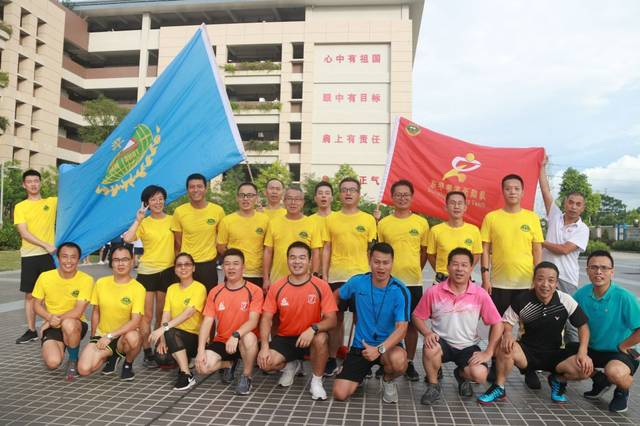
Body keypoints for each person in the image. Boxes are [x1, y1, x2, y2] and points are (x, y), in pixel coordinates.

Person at [477, 261, 592, 405]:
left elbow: (583, 327)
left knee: (585, 368)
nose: (545, 284)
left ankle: (558, 380)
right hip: (527, 353)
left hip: (556, 354)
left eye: (551, 280)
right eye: (540, 279)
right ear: (533, 281)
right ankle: (499, 387)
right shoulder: (523, 299)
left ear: (556, 283)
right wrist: (507, 334)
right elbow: (506, 321)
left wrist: (583, 351)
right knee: (504, 345)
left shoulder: (565, 300)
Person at [412, 248, 503, 404]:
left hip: (468, 346)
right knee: (430, 346)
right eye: (455, 264)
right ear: (448, 267)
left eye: (464, 265)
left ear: (470, 268)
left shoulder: (480, 294)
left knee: (480, 374)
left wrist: (489, 351)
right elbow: (417, 316)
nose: (459, 269)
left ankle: (461, 375)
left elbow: (497, 323)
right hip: (442, 343)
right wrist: (427, 333)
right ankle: (433, 385)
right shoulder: (434, 291)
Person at [480, 173, 544, 388]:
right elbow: (485, 249)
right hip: (499, 283)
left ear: (523, 192)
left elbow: (537, 250)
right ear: (503, 191)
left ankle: (529, 369)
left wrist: (538, 278)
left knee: (528, 327)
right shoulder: (492, 217)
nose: (512, 192)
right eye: (508, 188)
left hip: (526, 283)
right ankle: (494, 362)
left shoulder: (532, 218)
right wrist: (485, 276)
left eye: (516, 188)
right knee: (498, 325)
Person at [258, 242, 337, 400]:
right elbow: (266, 318)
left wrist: (313, 329)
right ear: (287, 260)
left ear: (309, 262)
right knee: (266, 363)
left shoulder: (321, 286)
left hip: (311, 337)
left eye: (302, 258)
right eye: (292, 258)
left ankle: (316, 382)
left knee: (321, 338)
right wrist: (264, 346)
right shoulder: (277, 287)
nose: (297, 262)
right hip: (286, 338)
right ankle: (291, 364)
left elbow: (332, 320)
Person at [332, 242, 409, 403]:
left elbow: (402, 329)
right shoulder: (358, 281)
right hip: (361, 347)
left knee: (399, 362)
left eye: (386, 262)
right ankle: (357, 377)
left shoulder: (400, 290)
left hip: (388, 347)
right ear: (369, 260)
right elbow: (337, 295)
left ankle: (388, 380)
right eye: (377, 262)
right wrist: (330, 315)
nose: (381, 267)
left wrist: (379, 349)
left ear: (392, 263)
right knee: (340, 394)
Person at [574, 250, 640, 413]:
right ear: (587, 270)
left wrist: (623, 345)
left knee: (615, 373)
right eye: (594, 267)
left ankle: (622, 390)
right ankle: (600, 381)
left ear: (612, 271)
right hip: (594, 348)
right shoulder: (581, 295)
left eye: (604, 268)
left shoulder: (624, 297)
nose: (598, 272)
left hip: (620, 351)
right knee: (566, 359)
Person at [323, 177, 377, 376]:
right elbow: (326, 248)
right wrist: (324, 275)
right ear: (339, 194)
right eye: (344, 190)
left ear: (358, 193)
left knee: (360, 321)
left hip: (362, 278)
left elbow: (372, 251)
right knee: (334, 320)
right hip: (336, 276)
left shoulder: (368, 219)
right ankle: (330, 357)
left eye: (352, 190)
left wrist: (372, 276)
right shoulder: (331, 219)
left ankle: (359, 358)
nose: (348, 193)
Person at [377, 179, 429, 381]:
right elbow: (379, 253)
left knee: (411, 325)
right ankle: (384, 359)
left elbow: (424, 252)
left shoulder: (421, 223)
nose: (402, 198)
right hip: (387, 283)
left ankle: (408, 363)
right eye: (398, 194)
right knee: (386, 321)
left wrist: (415, 269)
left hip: (413, 282)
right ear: (392, 197)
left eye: (406, 194)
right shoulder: (383, 223)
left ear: (412, 197)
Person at [196, 249, 263, 395]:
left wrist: (236, 335)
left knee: (249, 336)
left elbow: (253, 321)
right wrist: (200, 351)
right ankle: (229, 364)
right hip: (222, 341)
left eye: (235, 264)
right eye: (227, 264)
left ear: (243, 267)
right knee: (203, 367)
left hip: (243, 340)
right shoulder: (215, 291)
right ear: (222, 268)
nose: (231, 268)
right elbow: (207, 322)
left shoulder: (254, 291)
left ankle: (246, 376)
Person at [123, 185, 175, 368]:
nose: (158, 202)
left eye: (160, 198)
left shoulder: (173, 220)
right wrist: (138, 219)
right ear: (147, 203)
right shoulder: (144, 222)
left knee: (161, 314)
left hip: (168, 270)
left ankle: (161, 346)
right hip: (147, 272)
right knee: (146, 315)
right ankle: (147, 351)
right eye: (153, 199)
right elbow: (128, 239)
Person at [538, 157, 589, 343]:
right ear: (565, 203)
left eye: (578, 204)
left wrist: (540, 241)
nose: (573, 206)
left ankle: (573, 361)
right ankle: (541, 361)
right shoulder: (555, 216)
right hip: (544, 276)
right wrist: (541, 166)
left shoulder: (583, 229)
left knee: (570, 322)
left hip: (566, 279)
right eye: (570, 202)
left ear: (583, 207)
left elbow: (564, 249)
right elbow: (545, 191)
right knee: (541, 318)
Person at [77, 245, 145, 381]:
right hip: (102, 335)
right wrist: (93, 338)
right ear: (111, 262)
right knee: (84, 370)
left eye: (125, 259)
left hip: (122, 337)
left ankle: (127, 364)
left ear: (132, 261)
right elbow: (96, 312)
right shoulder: (101, 283)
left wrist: (111, 336)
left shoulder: (138, 288)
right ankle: (112, 357)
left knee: (134, 338)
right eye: (116, 260)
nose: (121, 263)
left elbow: (136, 321)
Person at [32, 242, 93, 380]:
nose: (69, 261)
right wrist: (48, 317)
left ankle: (73, 359)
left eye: (73, 257)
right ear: (58, 258)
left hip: (75, 323)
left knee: (69, 324)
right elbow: (36, 305)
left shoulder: (86, 280)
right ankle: (61, 346)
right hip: (52, 323)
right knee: (53, 363)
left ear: (78, 259)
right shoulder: (45, 277)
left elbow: (78, 311)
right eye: (65, 257)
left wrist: (51, 320)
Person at [148, 252, 207, 391]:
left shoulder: (199, 288)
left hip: (194, 337)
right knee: (161, 358)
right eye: (179, 265)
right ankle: (183, 358)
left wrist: (164, 330)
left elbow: (188, 314)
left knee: (170, 332)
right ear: (175, 269)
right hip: (173, 333)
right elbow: (166, 315)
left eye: (187, 264)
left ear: (193, 268)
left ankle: (186, 374)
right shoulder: (172, 288)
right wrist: (162, 340)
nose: (183, 268)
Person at [13, 169, 57, 344]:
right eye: (29, 181)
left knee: (50, 294)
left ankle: (50, 327)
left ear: (40, 183)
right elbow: (24, 232)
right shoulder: (20, 206)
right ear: (24, 185)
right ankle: (31, 330)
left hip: (49, 257)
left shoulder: (52, 202)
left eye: (36, 181)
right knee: (30, 295)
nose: (33, 184)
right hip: (30, 256)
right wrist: (45, 244)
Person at [171, 173, 225, 291]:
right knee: (185, 302)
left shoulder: (217, 211)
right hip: (187, 265)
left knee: (208, 304)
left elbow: (221, 238)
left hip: (208, 265)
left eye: (199, 186)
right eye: (192, 187)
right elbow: (178, 242)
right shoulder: (179, 212)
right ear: (187, 190)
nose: (196, 190)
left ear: (206, 189)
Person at [263, 186, 323, 291]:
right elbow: (268, 252)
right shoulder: (274, 223)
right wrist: (266, 278)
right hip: (277, 280)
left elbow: (315, 253)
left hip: (304, 282)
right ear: (284, 201)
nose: (293, 202)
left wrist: (314, 277)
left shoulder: (312, 224)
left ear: (303, 202)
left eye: (297, 199)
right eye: (289, 198)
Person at [217, 182, 269, 287]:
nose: (246, 199)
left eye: (250, 195)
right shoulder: (227, 220)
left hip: (257, 274)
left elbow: (268, 249)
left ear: (256, 198)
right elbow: (221, 247)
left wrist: (266, 277)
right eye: (242, 195)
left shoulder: (265, 220)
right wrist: (235, 262)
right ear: (237, 198)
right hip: (234, 274)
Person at [427, 191, 482, 283]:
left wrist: (466, 269)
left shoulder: (474, 230)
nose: (456, 206)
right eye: (452, 203)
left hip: (464, 280)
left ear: (465, 208)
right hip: (442, 280)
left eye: (460, 203)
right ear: (446, 207)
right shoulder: (435, 230)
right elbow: (431, 254)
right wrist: (441, 271)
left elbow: (476, 253)